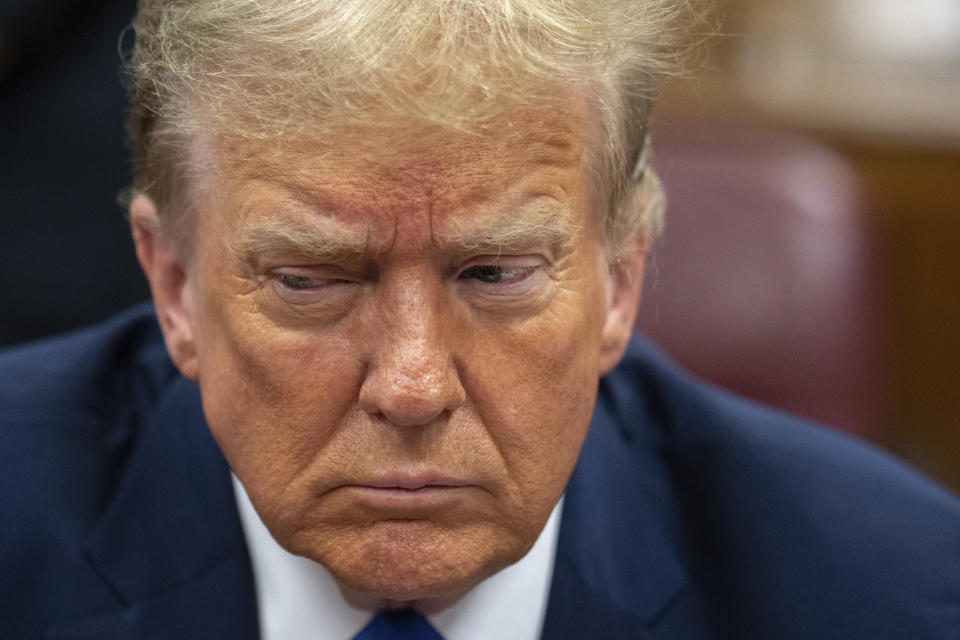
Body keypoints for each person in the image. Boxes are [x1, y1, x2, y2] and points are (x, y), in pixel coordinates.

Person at [2, 1, 959, 638]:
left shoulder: (893, 596)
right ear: (174, 287)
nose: (414, 384)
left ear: (620, 280)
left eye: (494, 273)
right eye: (310, 281)